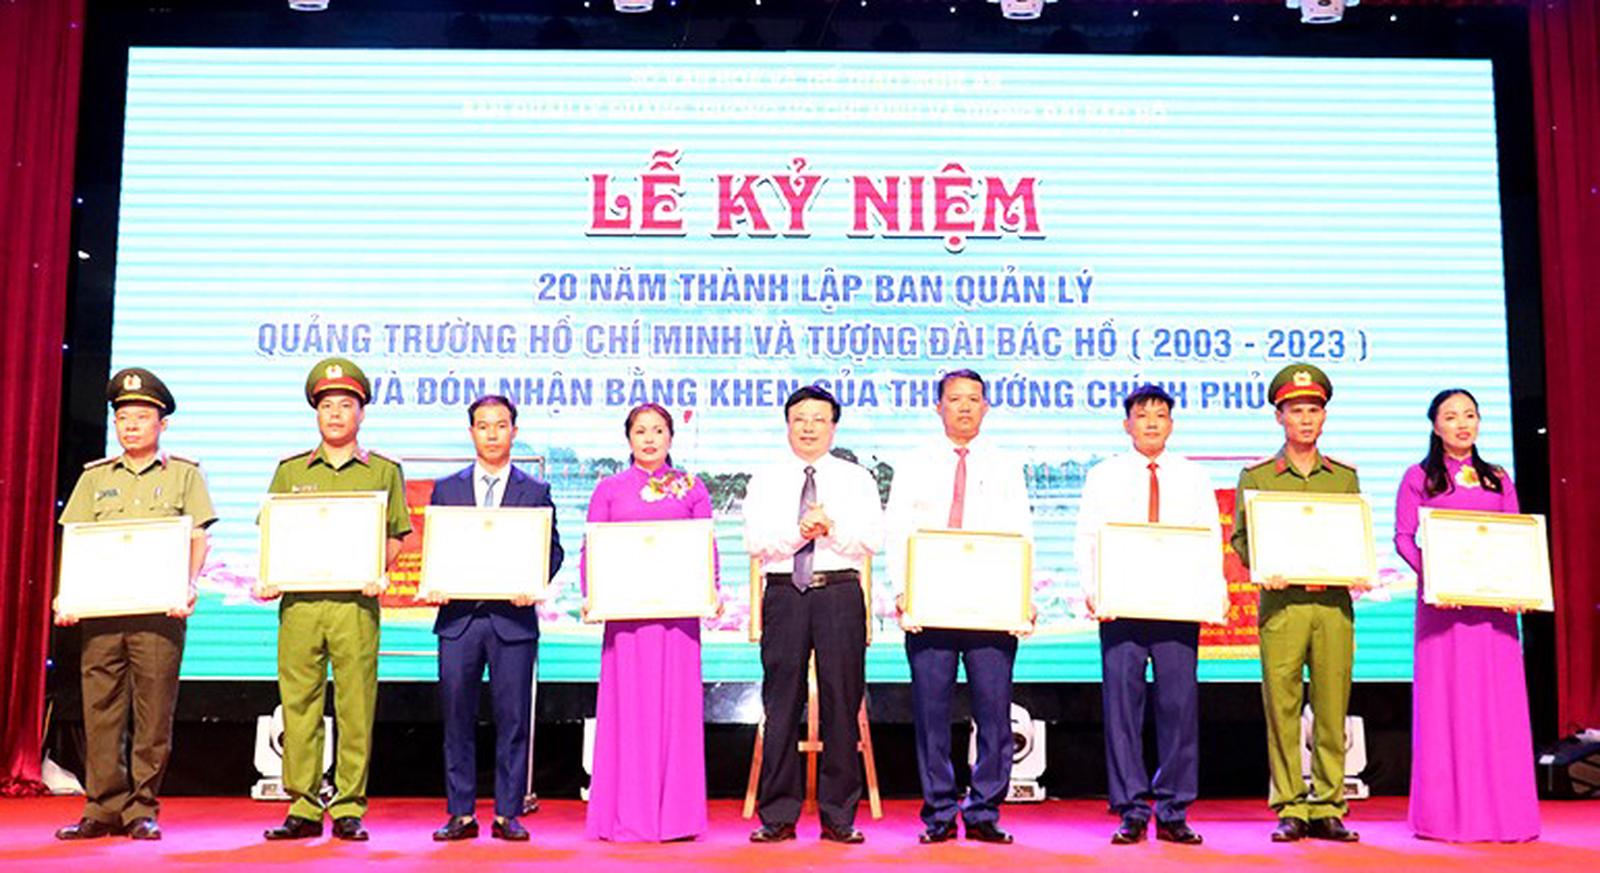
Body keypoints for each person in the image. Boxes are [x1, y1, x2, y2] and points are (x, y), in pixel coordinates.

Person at [54, 368, 215, 841]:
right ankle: (102, 807)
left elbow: (198, 538)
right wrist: (67, 594)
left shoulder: (184, 474)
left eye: (141, 417)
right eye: (123, 417)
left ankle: (141, 808)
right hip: (102, 615)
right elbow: (76, 542)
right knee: (100, 711)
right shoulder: (95, 478)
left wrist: (188, 584)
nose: (131, 426)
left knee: (153, 714)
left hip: (159, 615)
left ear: (162, 424)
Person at [256, 357, 411, 842]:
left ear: (361, 413)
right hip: (300, 606)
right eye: (327, 406)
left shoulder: (383, 471)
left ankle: (348, 805)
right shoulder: (290, 471)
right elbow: (273, 533)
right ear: (316, 413)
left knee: (355, 705)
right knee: (299, 704)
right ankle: (302, 805)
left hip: (354, 606)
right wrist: (271, 576)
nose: (336, 414)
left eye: (346, 405)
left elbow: (398, 535)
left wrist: (376, 570)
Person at [886, 369, 1033, 845]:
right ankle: (940, 813)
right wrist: (903, 590)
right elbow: (897, 531)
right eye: (955, 399)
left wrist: (1021, 596)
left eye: (974, 399)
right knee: (932, 714)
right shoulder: (914, 464)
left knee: (994, 712)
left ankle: (985, 810)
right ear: (938, 407)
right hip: (930, 603)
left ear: (986, 407)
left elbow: (1022, 533)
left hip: (991, 605)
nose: (965, 407)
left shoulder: (1005, 465)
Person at [1074, 384, 1219, 845]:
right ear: (1127, 424)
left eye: (1160, 415)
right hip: (1121, 606)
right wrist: (1093, 590)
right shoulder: (1104, 476)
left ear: (1171, 424)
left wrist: (1211, 595)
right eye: (1142, 415)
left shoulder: (1192, 476)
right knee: (1122, 710)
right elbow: (1088, 536)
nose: (1152, 422)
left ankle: (1174, 808)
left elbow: (1208, 539)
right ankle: (1131, 809)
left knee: (1179, 709)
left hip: (1177, 606)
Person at [1393, 389, 1539, 842]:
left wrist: (1519, 587)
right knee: (1448, 706)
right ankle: (1446, 817)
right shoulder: (1419, 477)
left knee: (1498, 708)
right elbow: (1403, 537)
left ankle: (1506, 815)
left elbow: (1515, 536)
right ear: (1435, 426)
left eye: (1470, 415)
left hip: (1495, 613)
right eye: (1451, 416)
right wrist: (1434, 578)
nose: (1462, 424)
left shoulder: (1498, 478)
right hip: (1443, 611)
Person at [1231, 363, 1367, 843]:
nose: (1305, 419)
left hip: (1332, 606)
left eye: (1313, 410)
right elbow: (1242, 538)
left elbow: (1353, 534)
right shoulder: (1258, 476)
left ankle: (1328, 804)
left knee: (1332, 708)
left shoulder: (1343, 477)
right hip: (1283, 605)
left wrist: (1357, 565)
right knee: (1283, 709)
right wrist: (1263, 564)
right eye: (1295, 411)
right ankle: (1290, 805)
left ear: (1324, 416)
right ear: (1279, 417)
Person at [743, 385, 885, 844]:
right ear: (787, 425)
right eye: (800, 419)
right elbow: (756, 541)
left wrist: (830, 529)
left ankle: (839, 816)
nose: (809, 428)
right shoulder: (766, 479)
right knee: (781, 702)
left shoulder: (857, 479)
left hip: (839, 592)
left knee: (842, 701)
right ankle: (778, 815)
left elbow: (870, 541)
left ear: (834, 427)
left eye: (819, 419)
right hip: (785, 593)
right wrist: (799, 531)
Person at [427, 394, 563, 843]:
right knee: (456, 718)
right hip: (458, 620)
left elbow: (553, 550)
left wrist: (533, 580)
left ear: (514, 432)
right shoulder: (447, 489)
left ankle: (508, 812)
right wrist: (437, 580)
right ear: (471, 433)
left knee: (514, 719)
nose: (491, 434)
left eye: (500, 425)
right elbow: (437, 547)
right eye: (483, 426)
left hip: (513, 620)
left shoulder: (535, 491)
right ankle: (460, 813)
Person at [583, 403, 715, 842]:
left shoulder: (692, 487)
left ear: (671, 437)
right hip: (626, 620)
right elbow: (592, 548)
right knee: (629, 713)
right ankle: (627, 814)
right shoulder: (609, 489)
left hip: (678, 619)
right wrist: (592, 594)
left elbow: (706, 547)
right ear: (629, 438)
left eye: (658, 430)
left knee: (677, 712)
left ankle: (677, 818)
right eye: (641, 431)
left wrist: (710, 591)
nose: (650, 438)